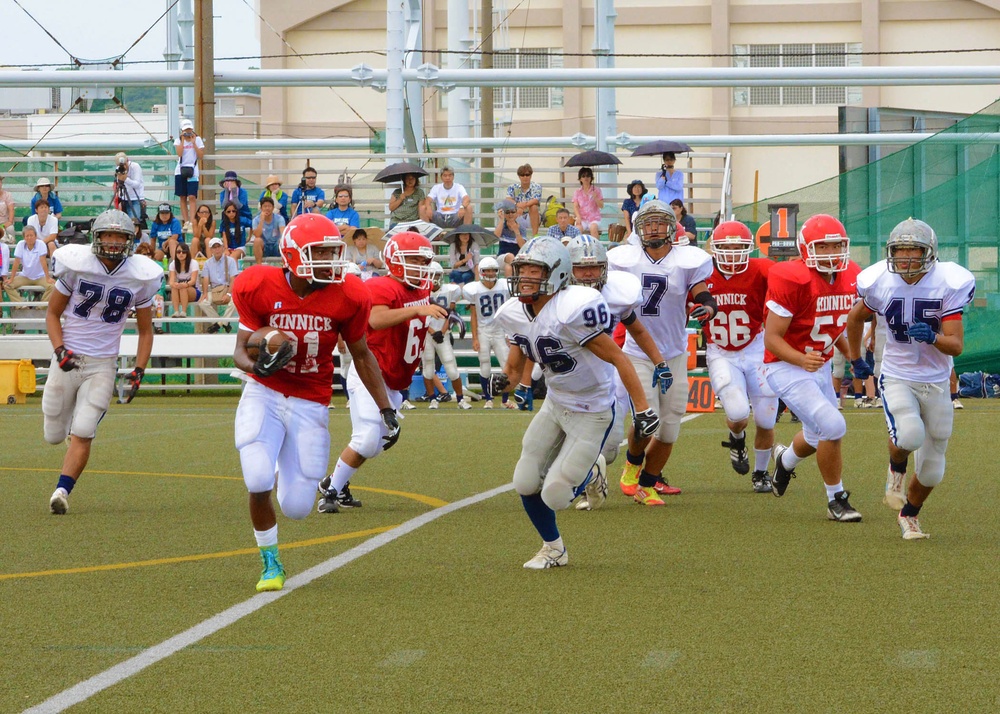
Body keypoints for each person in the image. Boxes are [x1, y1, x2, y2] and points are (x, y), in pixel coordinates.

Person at [231, 212, 397, 591]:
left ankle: (277, 460)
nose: (328, 261)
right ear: (291, 254)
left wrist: (385, 407)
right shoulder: (258, 284)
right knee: (257, 478)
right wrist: (261, 365)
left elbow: (362, 353)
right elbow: (240, 352)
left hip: (311, 400)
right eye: (318, 253)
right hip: (266, 392)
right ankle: (270, 562)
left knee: (297, 507)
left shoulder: (349, 294)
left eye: (330, 252)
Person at [494, 236, 661, 568]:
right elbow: (514, 368)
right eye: (521, 270)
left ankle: (594, 471)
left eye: (533, 271)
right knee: (525, 480)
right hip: (556, 404)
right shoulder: (513, 312)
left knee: (555, 494)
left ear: (555, 274)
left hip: (592, 409)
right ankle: (554, 548)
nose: (524, 277)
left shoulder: (573, 308)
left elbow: (619, 359)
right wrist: (503, 383)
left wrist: (642, 408)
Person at [846, 218, 975, 539]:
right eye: (899, 250)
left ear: (928, 253)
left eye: (912, 251)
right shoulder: (881, 282)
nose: (904, 258)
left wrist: (932, 337)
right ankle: (896, 469)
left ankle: (909, 515)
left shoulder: (948, 283)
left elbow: (956, 345)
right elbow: (854, 317)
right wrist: (855, 359)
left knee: (933, 469)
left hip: (936, 380)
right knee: (910, 435)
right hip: (897, 375)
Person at [317, 231, 445, 514]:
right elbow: (375, 319)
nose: (420, 266)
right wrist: (417, 311)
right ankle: (329, 491)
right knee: (365, 440)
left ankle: (336, 480)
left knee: (374, 446)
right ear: (396, 260)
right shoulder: (381, 286)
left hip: (394, 379)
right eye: (413, 259)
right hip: (370, 374)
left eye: (423, 261)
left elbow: (418, 319)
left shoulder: (420, 290)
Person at [44, 209, 162, 515]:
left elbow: (145, 329)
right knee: (54, 434)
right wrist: (59, 350)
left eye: (119, 236)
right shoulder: (75, 268)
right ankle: (67, 421)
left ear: (129, 240)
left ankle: (62, 490)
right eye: (107, 235)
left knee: (83, 429)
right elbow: (52, 313)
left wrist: (139, 369)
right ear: (96, 238)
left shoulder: (140, 277)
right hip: (67, 357)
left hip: (102, 363)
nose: (112, 242)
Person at [608, 199, 716, 504]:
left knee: (669, 430)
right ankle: (631, 465)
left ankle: (649, 482)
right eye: (649, 222)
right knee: (648, 419)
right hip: (638, 353)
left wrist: (707, 306)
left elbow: (702, 292)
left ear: (671, 227)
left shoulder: (687, 261)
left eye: (659, 222)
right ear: (640, 228)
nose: (654, 228)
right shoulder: (625, 259)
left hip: (675, 352)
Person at [763, 213, 863, 522]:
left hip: (817, 364)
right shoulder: (792, 278)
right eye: (824, 247)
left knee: (817, 435)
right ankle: (836, 499)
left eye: (837, 246)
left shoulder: (850, 278)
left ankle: (785, 461)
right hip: (785, 365)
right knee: (833, 426)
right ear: (807, 249)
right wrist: (799, 359)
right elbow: (771, 338)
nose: (832, 254)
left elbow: (837, 327)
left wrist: (854, 358)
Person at [703, 220, 777, 493]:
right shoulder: (702, 271)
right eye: (726, 247)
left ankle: (761, 472)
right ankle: (737, 438)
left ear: (749, 249)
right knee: (737, 413)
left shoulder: (762, 269)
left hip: (755, 347)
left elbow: (791, 280)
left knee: (767, 419)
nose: (733, 253)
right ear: (715, 249)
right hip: (722, 352)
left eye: (739, 248)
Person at [420, 261, 472, 409]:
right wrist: (432, 331)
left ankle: (460, 400)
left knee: (451, 366)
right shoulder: (421, 292)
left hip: (443, 333)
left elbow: (451, 314)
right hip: (427, 334)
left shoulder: (450, 290)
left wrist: (442, 332)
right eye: (431, 275)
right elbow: (420, 317)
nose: (434, 278)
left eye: (436, 275)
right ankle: (432, 399)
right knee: (428, 367)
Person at [464, 256, 513, 408]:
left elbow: (511, 311)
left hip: (500, 330)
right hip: (483, 330)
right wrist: (474, 338)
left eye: (493, 270)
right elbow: (473, 316)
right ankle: (488, 399)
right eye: (487, 270)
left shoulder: (504, 286)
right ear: (481, 272)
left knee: (506, 364)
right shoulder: (474, 289)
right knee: (484, 364)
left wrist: (510, 333)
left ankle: (505, 400)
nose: (491, 273)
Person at [199, 237, 240, 333]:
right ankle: (222, 322)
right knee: (202, 302)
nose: (217, 249)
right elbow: (205, 279)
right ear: (211, 250)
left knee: (235, 301)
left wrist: (229, 294)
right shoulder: (207, 263)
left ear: (222, 248)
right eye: (214, 247)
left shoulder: (230, 261)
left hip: (227, 289)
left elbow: (233, 279)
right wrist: (204, 293)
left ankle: (218, 324)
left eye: (218, 246)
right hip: (215, 291)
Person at [3, 225, 55, 302]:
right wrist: (11, 278)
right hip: (25, 276)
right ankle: (21, 305)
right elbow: (16, 262)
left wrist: (47, 278)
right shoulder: (20, 244)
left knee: (53, 286)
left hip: (40, 277)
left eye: (31, 235)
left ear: (35, 236)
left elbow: (43, 261)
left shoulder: (41, 244)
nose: (29, 238)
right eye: (27, 236)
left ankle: (40, 308)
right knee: (7, 285)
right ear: (24, 237)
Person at [174, 119, 205, 233]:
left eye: (189, 130)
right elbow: (179, 153)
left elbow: (201, 155)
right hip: (180, 170)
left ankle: (192, 221)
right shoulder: (178, 140)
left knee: (192, 196)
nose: (188, 132)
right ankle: (186, 221)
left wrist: (193, 143)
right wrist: (183, 140)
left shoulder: (198, 140)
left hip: (193, 170)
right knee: (182, 196)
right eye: (186, 130)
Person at [506, 163, 541, 238]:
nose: (525, 177)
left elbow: (535, 200)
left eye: (527, 175)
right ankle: (509, 235)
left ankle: (535, 236)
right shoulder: (512, 187)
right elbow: (508, 199)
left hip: (531, 216)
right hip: (518, 214)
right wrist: (517, 205)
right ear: (519, 176)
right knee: (506, 209)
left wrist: (522, 206)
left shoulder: (536, 186)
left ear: (531, 175)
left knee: (534, 207)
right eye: (522, 175)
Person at [494, 199, 525, 276]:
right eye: (507, 212)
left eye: (512, 212)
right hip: (502, 257)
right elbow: (495, 238)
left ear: (516, 213)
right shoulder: (502, 227)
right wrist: (501, 220)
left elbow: (523, 247)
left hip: (517, 259)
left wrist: (516, 231)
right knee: (510, 256)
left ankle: (510, 288)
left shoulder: (521, 228)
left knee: (508, 268)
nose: (510, 214)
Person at [167, 241, 199, 318]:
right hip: (179, 290)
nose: (181, 254)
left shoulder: (193, 263)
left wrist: (185, 284)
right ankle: (176, 311)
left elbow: (193, 280)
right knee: (174, 287)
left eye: (183, 252)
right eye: (178, 252)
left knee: (183, 288)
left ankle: (184, 312)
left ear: (187, 253)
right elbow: (171, 281)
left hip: (193, 290)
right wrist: (174, 284)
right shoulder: (173, 264)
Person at [251, 196, 286, 264]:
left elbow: (283, 233)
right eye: (265, 206)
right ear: (261, 208)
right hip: (264, 246)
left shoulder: (279, 218)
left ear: (273, 208)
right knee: (257, 240)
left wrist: (281, 240)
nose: (267, 208)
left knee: (283, 240)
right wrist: (262, 220)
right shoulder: (256, 220)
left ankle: (285, 266)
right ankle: (259, 267)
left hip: (276, 245)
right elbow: (257, 235)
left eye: (269, 206)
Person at [572, 167, 604, 239]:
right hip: (582, 218)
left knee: (593, 228)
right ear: (580, 179)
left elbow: (601, 206)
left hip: (594, 218)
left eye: (588, 176)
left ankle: (596, 248)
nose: (586, 178)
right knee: (577, 229)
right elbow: (575, 206)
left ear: (591, 178)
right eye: (583, 176)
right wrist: (578, 217)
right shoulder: (577, 192)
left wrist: (596, 198)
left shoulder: (597, 190)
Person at [113, 152, 146, 223]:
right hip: (123, 198)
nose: (124, 166)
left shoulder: (135, 166)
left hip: (135, 198)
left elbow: (137, 184)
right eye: (121, 165)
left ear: (127, 161)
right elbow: (119, 183)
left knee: (134, 222)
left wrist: (126, 179)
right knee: (123, 222)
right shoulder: (118, 169)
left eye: (125, 164)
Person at [0, 174, 15, 242]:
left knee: (10, 229)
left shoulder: (7, 195)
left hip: (6, 222)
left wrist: (10, 221)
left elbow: (11, 209)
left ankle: (10, 251)